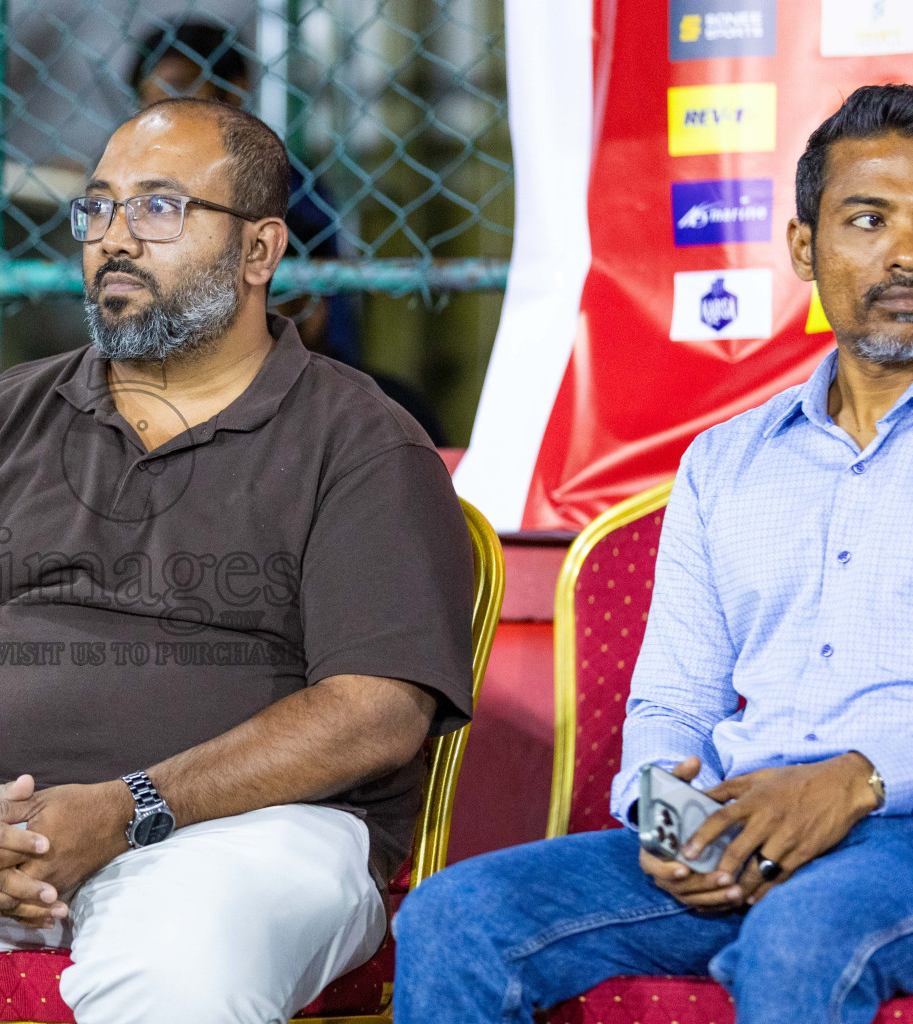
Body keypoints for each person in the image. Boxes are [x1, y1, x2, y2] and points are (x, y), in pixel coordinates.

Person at [0, 98, 474, 1024]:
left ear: (260, 252)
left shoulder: (362, 442)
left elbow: (375, 713)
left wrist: (127, 808)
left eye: (159, 208)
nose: (113, 239)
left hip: (241, 833)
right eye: (97, 209)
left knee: (176, 982)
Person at [391, 84, 913, 1024]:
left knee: (798, 937)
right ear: (805, 247)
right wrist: (662, 801)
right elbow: (674, 696)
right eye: (867, 220)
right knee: (456, 916)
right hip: (741, 830)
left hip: (899, 839)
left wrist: (861, 777)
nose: (903, 254)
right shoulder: (728, 462)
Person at [129, 19, 446, 444]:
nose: (165, 113)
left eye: (181, 88)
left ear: (234, 89)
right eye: (150, 100)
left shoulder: (289, 188)